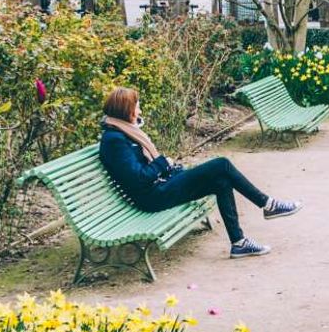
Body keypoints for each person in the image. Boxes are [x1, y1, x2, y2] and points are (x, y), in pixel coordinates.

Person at [99, 86, 300, 259]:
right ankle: (268, 204)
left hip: (162, 184)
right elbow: (138, 178)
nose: (139, 109)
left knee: (221, 181)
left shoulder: (124, 131)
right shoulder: (114, 140)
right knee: (221, 164)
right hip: (152, 196)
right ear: (125, 110)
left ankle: (239, 243)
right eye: (136, 106)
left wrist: (165, 166)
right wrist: (162, 163)